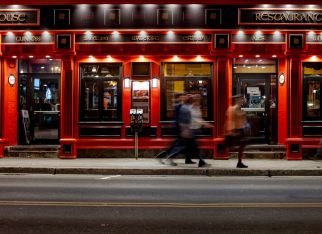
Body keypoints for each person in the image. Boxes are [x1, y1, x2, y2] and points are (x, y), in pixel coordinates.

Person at [165, 93, 210, 167]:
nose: (198, 100)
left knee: (192, 146)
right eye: (197, 99)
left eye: (199, 99)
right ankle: (170, 156)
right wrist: (184, 130)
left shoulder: (197, 107)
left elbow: (198, 118)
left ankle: (199, 161)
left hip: (195, 129)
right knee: (184, 146)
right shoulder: (187, 108)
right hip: (190, 130)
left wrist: (205, 123)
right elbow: (183, 120)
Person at [155, 93, 196, 165]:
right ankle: (169, 156)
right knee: (180, 145)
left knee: (180, 144)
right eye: (182, 96)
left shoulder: (180, 105)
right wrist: (182, 128)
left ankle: (164, 155)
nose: (184, 97)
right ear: (179, 97)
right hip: (180, 127)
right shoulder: (178, 105)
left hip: (182, 127)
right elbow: (181, 117)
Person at [225, 94, 248, 168]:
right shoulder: (234, 109)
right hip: (237, 130)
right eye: (241, 99)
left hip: (240, 129)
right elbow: (231, 120)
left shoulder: (238, 108)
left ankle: (239, 162)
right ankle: (239, 162)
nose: (243, 100)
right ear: (237, 100)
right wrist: (233, 130)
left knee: (241, 147)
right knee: (238, 146)